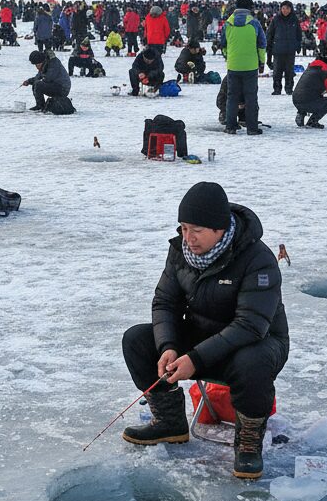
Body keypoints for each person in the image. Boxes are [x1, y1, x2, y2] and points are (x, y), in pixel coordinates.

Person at [120, 182, 289, 478]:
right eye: (183, 228)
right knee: (137, 340)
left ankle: (248, 442)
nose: (188, 238)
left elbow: (251, 325)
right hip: (203, 336)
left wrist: (195, 359)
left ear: (220, 228)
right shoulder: (181, 252)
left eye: (196, 230)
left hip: (256, 342)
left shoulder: (257, 259)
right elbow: (165, 302)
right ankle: (169, 423)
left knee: (253, 360)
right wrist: (168, 347)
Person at [221, 0, 266, 135]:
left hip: (233, 65)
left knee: (232, 96)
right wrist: (261, 62)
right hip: (250, 65)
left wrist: (229, 57)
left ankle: (230, 126)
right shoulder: (254, 23)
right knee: (251, 97)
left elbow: (223, 44)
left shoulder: (228, 23)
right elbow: (261, 44)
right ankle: (252, 128)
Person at [291, 56, 327, 129]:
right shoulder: (325, 72)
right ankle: (312, 121)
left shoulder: (309, 69)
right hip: (307, 101)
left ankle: (301, 113)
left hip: (296, 99)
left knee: (309, 95)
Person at [266, 1, 302, 95]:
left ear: (291, 9)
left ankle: (289, 89)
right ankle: (277, 89)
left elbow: (299, 34)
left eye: (287, 8)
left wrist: (298, 45)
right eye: (283, 8)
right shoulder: (276, 19)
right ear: (280, 9)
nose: (285, 10)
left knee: (289, 71)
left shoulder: (294, 20)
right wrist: (269, 45)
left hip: (290, 50)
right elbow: (270, 33)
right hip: (278, 50)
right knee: (277, 71)